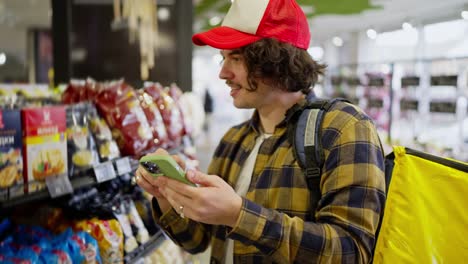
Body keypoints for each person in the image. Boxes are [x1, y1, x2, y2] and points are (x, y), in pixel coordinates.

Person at [135, 0, 386, 263]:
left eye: (236, 58)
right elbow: (198, 240)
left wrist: (239, 215)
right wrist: (168, 195)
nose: (223, 73)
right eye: (223, 58)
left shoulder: (343, 127)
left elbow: (352, 252)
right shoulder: (235, 139)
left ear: (276, 59)